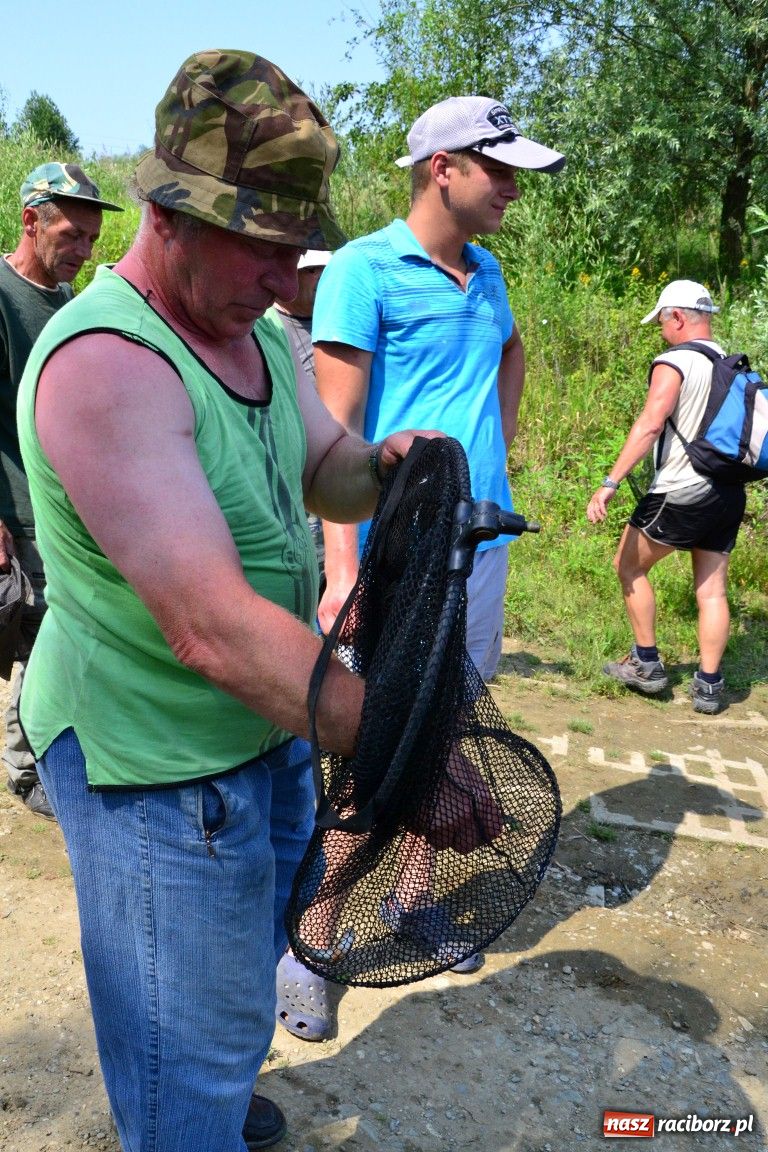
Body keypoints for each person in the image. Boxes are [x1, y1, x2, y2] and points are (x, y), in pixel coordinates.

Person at [16, 50, 462, 1152]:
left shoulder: (255, 332)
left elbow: (323, 470)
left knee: (238, 968)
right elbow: (210, 629)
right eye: (259, 245)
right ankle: (186, 1112)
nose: (283, 276)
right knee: (185, 1026)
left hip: (268, 727)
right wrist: (409, 752)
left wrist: (389, 465)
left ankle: (204, 1089)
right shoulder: (109, 367)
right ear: (170, 216)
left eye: (293, 248)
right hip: (154, 760)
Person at [312, 95, 565, 680]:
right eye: (499, 171)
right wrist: (343, 570)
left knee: (462, 703)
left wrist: (497, 440)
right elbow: (334, 434)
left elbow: (511, 348)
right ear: (443, 168)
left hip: (482, 538)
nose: (514, 190)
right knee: (379, 716)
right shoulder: (361, 270)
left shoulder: (488, 271)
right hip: (394, 549)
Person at [0, 162, 122, 819]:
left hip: (67, 504)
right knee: (40, 635)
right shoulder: (2, 294)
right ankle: (26, 768)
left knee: (62, 630)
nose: (83, 250)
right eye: (71, 235)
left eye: (91, 240)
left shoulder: (70, 301)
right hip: (19, 506)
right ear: (31, 221)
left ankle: (51, 751)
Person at [586, 280, 746, 715]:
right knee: (711, 591)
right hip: (727, 492)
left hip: (681, 488)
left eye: (660, 321)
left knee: (628, 565)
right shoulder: (729, 364)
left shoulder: (675, 361)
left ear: (677, 317)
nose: (660, 330)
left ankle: (647, 665)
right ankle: (709, 686)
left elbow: (651, 424)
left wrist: (611, 482)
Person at [273, 249, 333, 574]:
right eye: (311, 270)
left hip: (340, 468)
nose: (320, 277)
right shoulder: (267, 327)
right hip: (299, 480)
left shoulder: (340, 321)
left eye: (325, 269)